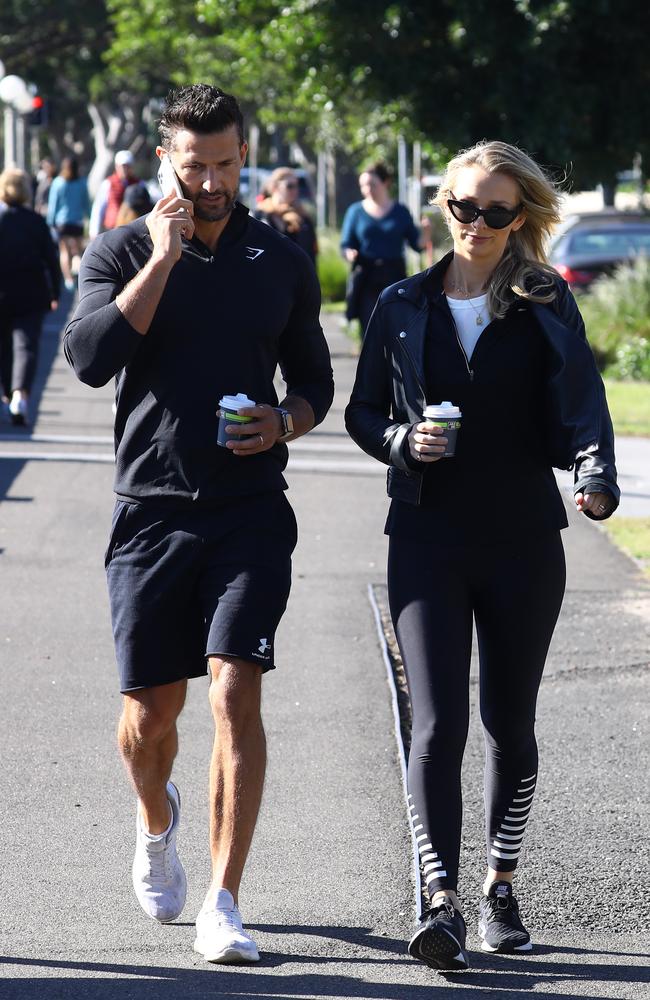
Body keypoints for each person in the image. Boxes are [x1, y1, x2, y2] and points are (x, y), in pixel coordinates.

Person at [63, 83, 333, 965]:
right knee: (148, 719)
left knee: (233, 688)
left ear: (242, 156)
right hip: (150, 512)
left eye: (225, 163)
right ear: (164, 162)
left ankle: (224, 899)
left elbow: (315, 383)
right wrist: (163, 256)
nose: (213, 181)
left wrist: (282, 423)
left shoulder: (280, 257)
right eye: (195, 165)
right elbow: (92, 359)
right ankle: (156, 819)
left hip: (250, 510)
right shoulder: (119, 249)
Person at [345, 140, 619, 972]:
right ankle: (442, 900)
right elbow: (362, 413)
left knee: (510, 723)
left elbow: (581, 396)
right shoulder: (400, 302)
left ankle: (500, 884)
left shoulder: (543, 301)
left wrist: (595, 471)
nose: (479, 223)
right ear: (445, 207)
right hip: (426, 536)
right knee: (437, 723)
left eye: (498, 211)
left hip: (523, 538)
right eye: (465, 206)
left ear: (521, 218)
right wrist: (401, 441)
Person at [340, 161, 430, 335]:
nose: (367, 189)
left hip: (394, 276)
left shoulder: (400, 211)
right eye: (363, 185)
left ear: (386, 182)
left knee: (395, 328)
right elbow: (346, 244)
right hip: (366, 276)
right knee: (369, 328)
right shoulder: (355, 211)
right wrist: (349, 253)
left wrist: (426, 233)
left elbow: (416, 245)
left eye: (372, 184)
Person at [0, 168, 60, 425]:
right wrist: (55, 292)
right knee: (26, 346)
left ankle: (6, 395)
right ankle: (19, 395)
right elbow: (51, 260)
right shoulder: (35, 222)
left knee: (3, 347)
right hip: (31, 292)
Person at [255, 167, 317, 263]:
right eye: (290, 186)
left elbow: (310, 251)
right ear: (275, 188)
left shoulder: (302, 215)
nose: (295, 190)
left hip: (297, 272)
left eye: (297, 185)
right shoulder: (261, 214)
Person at [47, 156, 90, 291]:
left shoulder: (58, 183)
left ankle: (68, 280)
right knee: (77, 251)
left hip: (62, 222)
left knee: (64, 251)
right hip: (77, 222)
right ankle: (77, 273)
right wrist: (89, 218)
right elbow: (86, 204)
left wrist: (50, 221)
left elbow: (53, 205)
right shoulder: (82, 182)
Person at [89, 149, 140, 239]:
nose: (124, 169)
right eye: (122, 166)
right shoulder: (108, 184)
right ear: (116, 167)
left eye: (127, 166)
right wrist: (94, 231)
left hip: (133, 230)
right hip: (112, 229)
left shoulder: (139, 184)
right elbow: (99, 206)